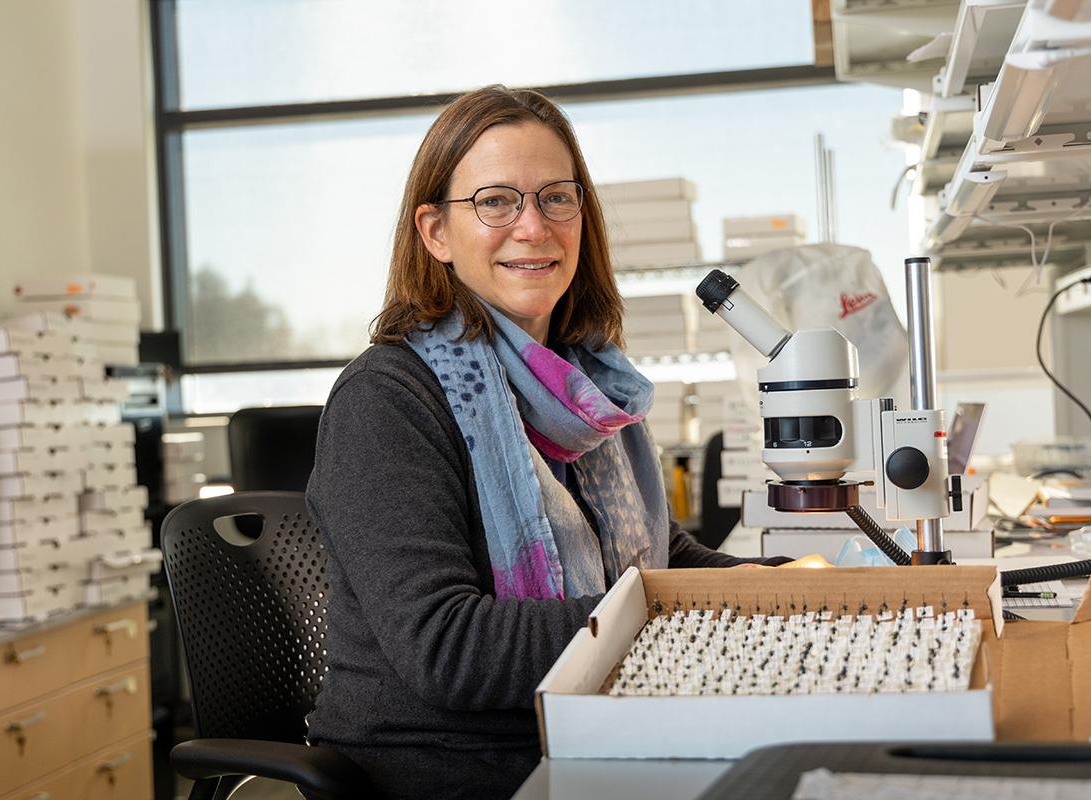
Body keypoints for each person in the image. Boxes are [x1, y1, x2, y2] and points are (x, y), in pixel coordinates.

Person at [305, 84, 791, 800]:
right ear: (436, 232)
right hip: (451, 767)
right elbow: (448, 648)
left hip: (598, 733)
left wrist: (787, 588)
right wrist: (684, 610)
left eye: (556, 199)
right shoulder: (386, 400)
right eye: (496, 201)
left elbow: (655, 556)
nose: (533, 227)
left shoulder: (584, 387)